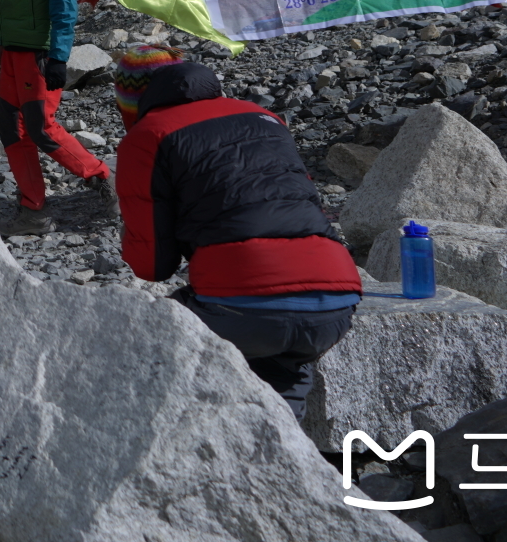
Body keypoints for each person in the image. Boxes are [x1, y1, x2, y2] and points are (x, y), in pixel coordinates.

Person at [112, 47, 361, 422]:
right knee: (284, 375)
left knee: (149, 337)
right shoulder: (264, 117)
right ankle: (290, 459)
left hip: (242, 307)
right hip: (335, 304)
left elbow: (152, 266)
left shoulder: (147, 136)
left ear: (132, 103)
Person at [0, 0, 110, 237]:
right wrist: (2, 43)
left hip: (38, 55)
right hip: (15, 51)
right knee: (12, 129)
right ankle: (33, 211)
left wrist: (59, 56)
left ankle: (104, 178)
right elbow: (13, 1)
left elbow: (63, 2)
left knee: (42, 129)